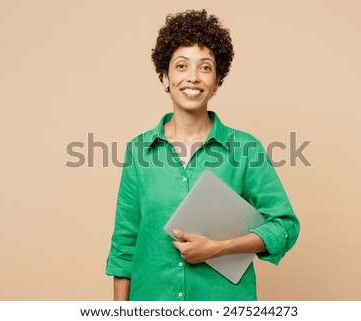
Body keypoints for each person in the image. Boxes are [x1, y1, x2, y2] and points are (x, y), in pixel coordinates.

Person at [105, 9, 300, 301]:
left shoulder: (246, 150)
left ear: (217, 79)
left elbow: (285, 227)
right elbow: (124, 247)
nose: (193, 78)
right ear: (164, 76)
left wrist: (220, 248)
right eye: (181, 66)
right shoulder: (138, 152)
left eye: (205, 67)